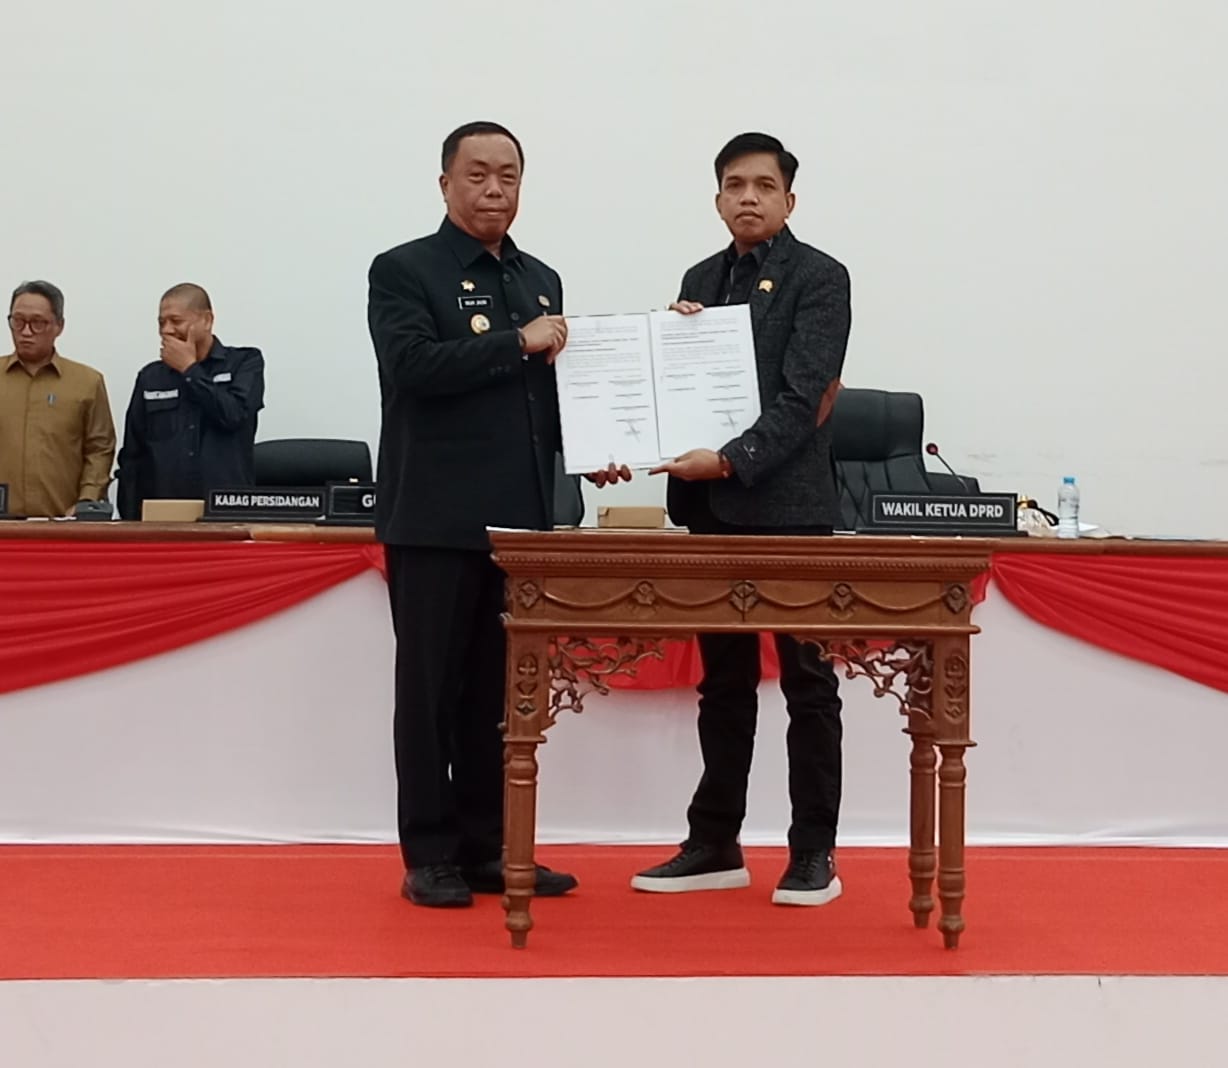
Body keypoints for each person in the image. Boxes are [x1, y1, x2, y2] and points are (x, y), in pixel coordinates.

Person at [367, 121, 601, 908]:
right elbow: (412, 367)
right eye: (477, 174)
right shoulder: (404, 270)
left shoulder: (541, 279)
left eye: (508, 175)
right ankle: (429, 853)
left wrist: (596, 445)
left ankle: (488, 848)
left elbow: (544, 399)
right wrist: (515, 341)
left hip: (518, 530)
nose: (494, 189)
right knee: (430, 693)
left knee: (498, 698)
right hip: (433, 520)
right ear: (445, 184)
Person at [631, 132, 852, 906]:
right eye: (734, 184)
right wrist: (673, 346)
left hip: (788, 511)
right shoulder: (701, 279)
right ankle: (715, 842)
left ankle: (813, 851)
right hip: (713, 514)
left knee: (807, 684)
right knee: (722, 683)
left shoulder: (820, 278)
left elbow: (804, 397)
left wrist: (728, 460)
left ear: (790, 199)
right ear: (718, 198)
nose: (748, 197)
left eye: (763, 185)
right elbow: (688, 388)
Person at [116, 284, 264, 520]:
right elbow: (133, 455)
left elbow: (234, 415)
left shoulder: (245, 362)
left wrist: (189, 369)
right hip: (164, 515)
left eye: (176, 321)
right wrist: (131, 520)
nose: (167, 330)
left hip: (227, 512)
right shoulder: (150, 377)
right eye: (161, 322)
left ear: (207, 320)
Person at [0, 281, 116, 518]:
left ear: (59, 326)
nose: (26, 332)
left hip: (62, 523)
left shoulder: (87, 382)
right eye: (18, 321)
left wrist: (86, 501)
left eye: (38, 323)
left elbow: (100, 449)